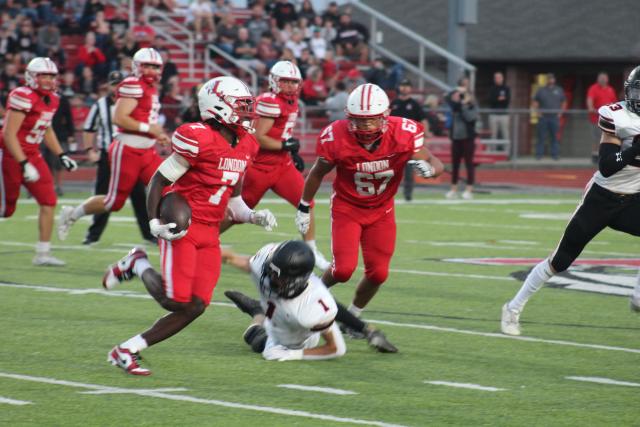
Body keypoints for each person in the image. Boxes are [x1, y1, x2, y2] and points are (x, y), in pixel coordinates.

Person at [102, 76, 277, 375]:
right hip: (182, 225)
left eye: (248, 106)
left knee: (196, 305)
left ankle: (127, 349)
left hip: (210, 231)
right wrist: (154, 221)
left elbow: (233, 199)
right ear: (218, 108)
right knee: (174, 300)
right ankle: (137, 262)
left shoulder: (247, 144)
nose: (248, 113)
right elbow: (159, 180)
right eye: (241, 106)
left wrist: (252, 215)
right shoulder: (198, 137)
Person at [501, 66, 640, 336]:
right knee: (560, 260)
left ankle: (637, 296)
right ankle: (512, 308)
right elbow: (607, 167)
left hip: (634, 198)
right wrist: (634, 148)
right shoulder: (616, 116)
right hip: (602, 198)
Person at [295, 83, 444, 320]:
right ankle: (307, 296)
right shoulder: (337, 136)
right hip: (348, 207)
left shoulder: (402, 134)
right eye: (359, 120)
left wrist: (430, 171)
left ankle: (353, 316)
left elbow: (436, 162)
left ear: (385, 117)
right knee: (343, 270)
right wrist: (304, 205)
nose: (365, 126)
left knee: (379, 274)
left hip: (382, 211)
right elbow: (317, 172)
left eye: (372, 120)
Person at [220, 61, 331, 270]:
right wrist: (284, 145)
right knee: (238, 213)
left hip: (282, 165)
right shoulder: (269, 101)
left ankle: (312, 250)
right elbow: (260, 137)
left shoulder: (292, 101)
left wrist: (288, 150)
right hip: (259, 168)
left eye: (293, 82)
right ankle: (203, 239)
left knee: (306, 202)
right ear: (273, 81)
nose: (289, 86)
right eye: (285, 81)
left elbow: (280, 133)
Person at [58, 48, 170, 241]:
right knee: (113, 202)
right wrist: (149, 128)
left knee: (167, 187)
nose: (151, 71)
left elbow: (145, 119)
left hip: (147, 150)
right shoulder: (132, 84)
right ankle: (72, 214)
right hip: (127, 150)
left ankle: (169, 231)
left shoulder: (150, 87)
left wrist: (157, 134)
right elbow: (119, 118)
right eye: (147, 66)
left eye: (155, 67)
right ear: (137, 67)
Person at [223, 241, 398, 358]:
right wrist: (225, 256)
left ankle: (257, 313)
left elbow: (336, 348)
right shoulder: (264, 266)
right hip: (276, 310)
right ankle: (260, 311)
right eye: (272, 272)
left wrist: (294, 355)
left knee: (255, 339)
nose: (272, 279)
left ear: (298, 279)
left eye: (280, 277)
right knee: (271, 309)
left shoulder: (313, 303)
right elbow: (247, 263)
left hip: (295, 336)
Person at [0, 57, 78, 266]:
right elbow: (8, 135)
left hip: (33, 154)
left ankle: (42, 254)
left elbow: (46, 128)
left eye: (51, 76)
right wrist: (23, 163)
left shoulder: (53, 99)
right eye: (43, 75)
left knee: (49, 201)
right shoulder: (22, 96)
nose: (48, 80)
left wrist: (62, 155)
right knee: (6, 210)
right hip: (9, 155)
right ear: (32, 77)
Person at [81, 70, 154, 245]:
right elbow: (89, 128)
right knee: (104, 195)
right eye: (114, 84)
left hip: (131, 154)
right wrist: (90, 149)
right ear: (109, 85)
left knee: (139, 197)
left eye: (120, 83)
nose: (117, 87)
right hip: (108, 156)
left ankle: (149, 235)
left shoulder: (136, 102)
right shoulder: (100, 105)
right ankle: (93, 235)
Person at [390, 79, 429, 202]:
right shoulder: (394, 103)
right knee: (390, 169)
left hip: (409, 143)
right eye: (402, 85)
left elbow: (423, 121)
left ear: (410, 88)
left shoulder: (414, 104)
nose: (404, 88)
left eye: (407, 86)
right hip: (393, 142)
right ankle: (386, 194)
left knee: (408, 171)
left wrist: (424, 136)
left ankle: (408, 194)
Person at [445, 78, 478, 200]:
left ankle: (469, 189)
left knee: (469, 163)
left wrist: (465, 104)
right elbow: (447, 98)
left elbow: (470, 118)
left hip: (468, 138)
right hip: (456, 138)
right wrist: (456, 90)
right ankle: (454, 189)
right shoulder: (456, 106)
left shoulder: (471, 106)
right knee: (455, 165)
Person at [532, 73, 566, 160]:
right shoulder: (541, 90)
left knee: (555, 137)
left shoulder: (559, 90)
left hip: (554, 117)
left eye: (552, 78)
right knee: (541, 136)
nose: (550, 80)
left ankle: (555, 155)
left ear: (554, 80)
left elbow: (564, 102)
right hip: (543, 117)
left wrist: (560, 113)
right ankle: (539, 155)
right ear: (547, 80)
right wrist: (538, 113)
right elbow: (535, 102)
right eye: (549, 79)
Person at [587, 72, 617, 164]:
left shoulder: (610, 89)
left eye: (605, 78)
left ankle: (605, 156)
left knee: (607, 138)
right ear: (598, 79)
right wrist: (591, 108)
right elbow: (590, 100)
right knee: (596, 138)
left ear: (607, 79)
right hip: (596, 118)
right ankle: (595, 155)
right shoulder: (593, 88)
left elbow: (614, 102)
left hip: (608, 119)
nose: (603, 79)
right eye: (601, 78)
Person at [487, 71, 511, 141]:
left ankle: (506, 151)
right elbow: (490, 100)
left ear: (502, 78)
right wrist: (499, 99)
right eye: (496, 78)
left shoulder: (506, 88)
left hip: (504, 115)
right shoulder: (492, 89)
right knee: (493, 134)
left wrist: (497, 99)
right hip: (493, 114)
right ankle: (492, 151)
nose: (497, 79)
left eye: (499, 77)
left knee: (505, 134)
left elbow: (507, 100)